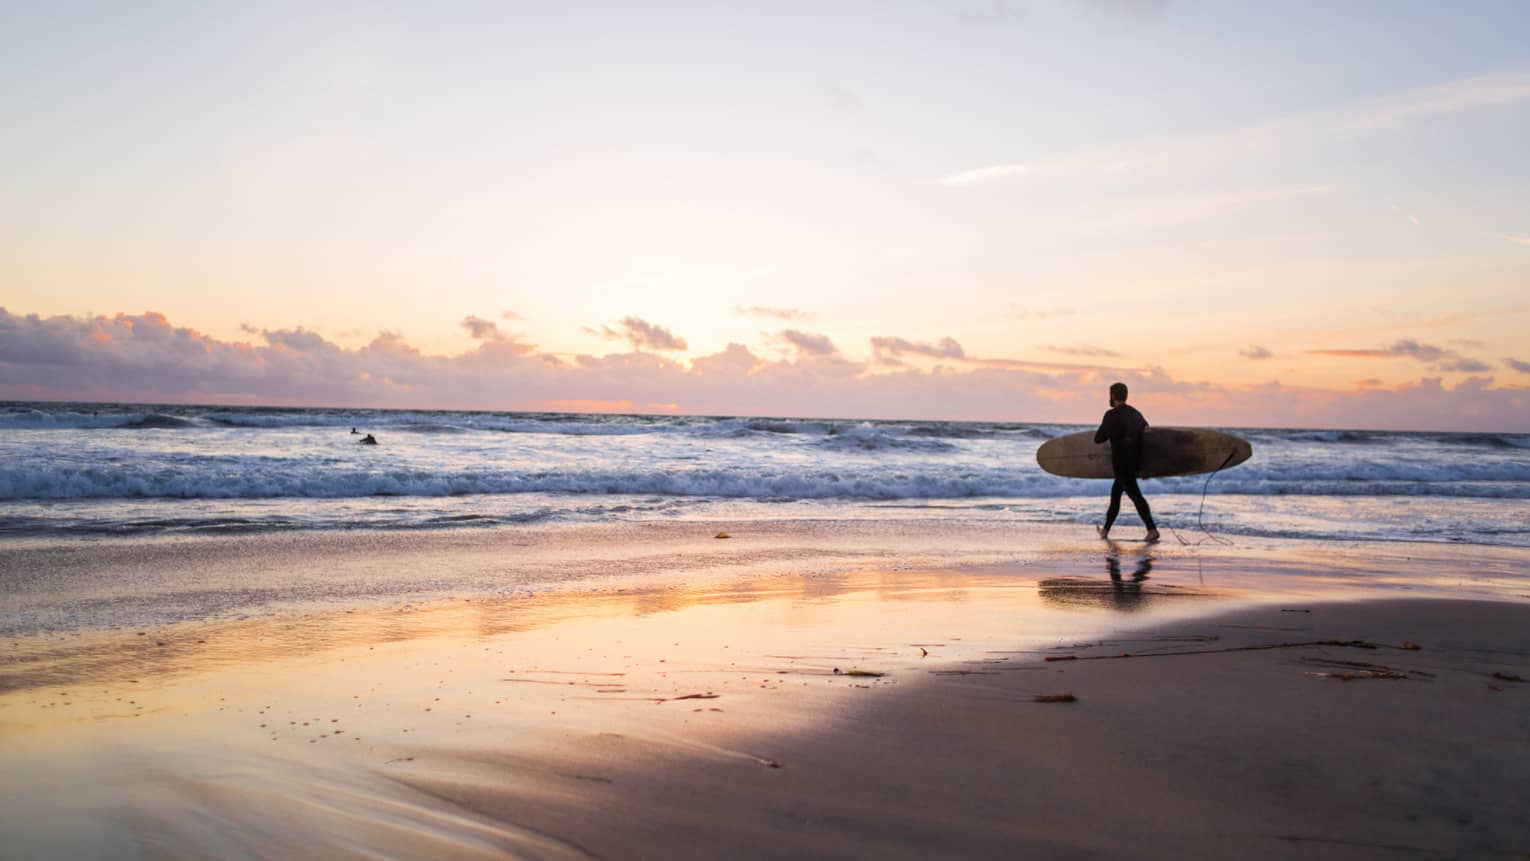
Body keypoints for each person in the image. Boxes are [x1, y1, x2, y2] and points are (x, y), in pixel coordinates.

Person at [1094, 382, 1159, 542]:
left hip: (1121, 464)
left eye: (1110, 394)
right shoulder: (1137, 414)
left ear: (1113, 395)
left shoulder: (1111, 415)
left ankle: (1152, 529)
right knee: (1115, 496)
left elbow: (1098, 438)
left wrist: (1111, 431)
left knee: (1136, 497)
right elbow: (1147, 435)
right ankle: (1105, 530)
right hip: (1135, 463)